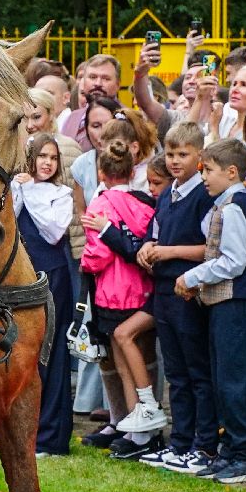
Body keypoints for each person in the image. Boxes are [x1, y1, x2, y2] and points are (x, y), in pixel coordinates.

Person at [177, 138, 246, 482]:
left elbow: (233, 260)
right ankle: (230, 448)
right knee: (221, 379)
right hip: (221, 303)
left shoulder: (234, 207)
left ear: (232, 172)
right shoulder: (223, 205)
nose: (204, 178)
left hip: (236, 304)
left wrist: (193, 276)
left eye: (208, 170)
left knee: (233, 381)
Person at [137, 121, 216, 473]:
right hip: (164, 289)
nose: (175, 161)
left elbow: (208, 249)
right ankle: (180, 441)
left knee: (197, 370)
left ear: (199, 155)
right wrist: (148, 248)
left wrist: (166, 252)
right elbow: (156, 234)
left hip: (188, 290)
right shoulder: (169, 193)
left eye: (183, 154)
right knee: (176, 372)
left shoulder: (203, 194)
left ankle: (203, 443)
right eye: (170, 153)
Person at [79, 139, 163, 459]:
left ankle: (136, 428)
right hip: (143, 289)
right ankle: (137, 425)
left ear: (101, 171)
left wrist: (86, 265)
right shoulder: (146, 201)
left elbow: (97, 255)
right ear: (133, 170)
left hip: (112, 293)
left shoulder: (100, 204)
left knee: (124, 364)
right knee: (143, 358)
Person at [15, 134, 77, 457]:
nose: (47, 163)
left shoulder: (61, 194)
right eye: (42, 156)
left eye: (53, 157)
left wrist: (30, 192)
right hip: (21, 278)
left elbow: (52, 231)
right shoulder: (19, 187)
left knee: (52, 355)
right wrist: (18, 189)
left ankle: (52, 436)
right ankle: (28, 430)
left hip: (52, 277)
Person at [61, 54, 121, 150]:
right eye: (92, 77)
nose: (98, 83)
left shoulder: (128, 118)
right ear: (83, 82)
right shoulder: (71, 118)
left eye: (106, 78)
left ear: (118, 84)